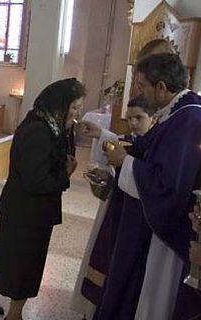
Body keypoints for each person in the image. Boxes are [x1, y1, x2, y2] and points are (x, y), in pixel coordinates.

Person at [90, 53, 201, 320]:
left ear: (161, 87)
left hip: (166, 235)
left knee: (153, 297)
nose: (138, 91)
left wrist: (125, 163)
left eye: (141, 85)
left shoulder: (188, 121)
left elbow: (167, 186)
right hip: (151, 223)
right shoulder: (178, 113)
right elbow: (146, 147)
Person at [0, 78, 85, 320]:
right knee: (25, 265)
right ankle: (15, 315)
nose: (76, 114)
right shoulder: (38, 131)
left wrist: (69, 133)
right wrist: (65, 176)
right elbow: (37, 181)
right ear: (59, 105)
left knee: (14, 260)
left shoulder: (52, 127)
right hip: (26, 211)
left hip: (30, 210)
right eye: (74, 108)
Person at [71, 95, 157, 319]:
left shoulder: (157, 145)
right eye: (129, 118)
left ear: (154, 118)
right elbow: (117, 152)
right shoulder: (131, 140)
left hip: (137, 218)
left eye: (139, 118)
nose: (133, 123)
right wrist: (103, 174)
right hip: (116, 209)